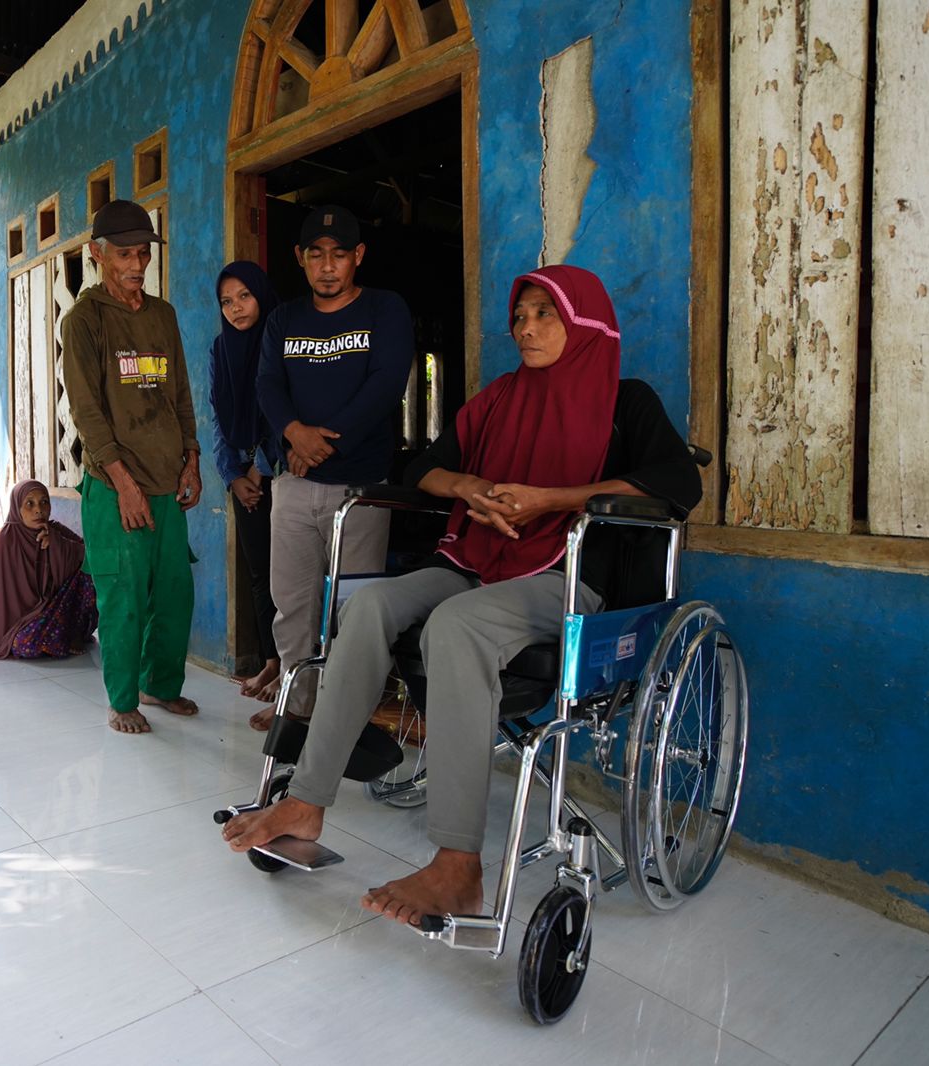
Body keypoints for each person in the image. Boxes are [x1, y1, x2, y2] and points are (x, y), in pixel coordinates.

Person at [223, 265, 702, 926]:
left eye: (544, 315)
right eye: (521, 316)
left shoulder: (626, 403)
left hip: (566, 575)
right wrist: (470, 488)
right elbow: (423, 469)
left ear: (584, 322)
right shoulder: (500, 399)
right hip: (480, 559)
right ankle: (307, 799)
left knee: (455, 624)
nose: (525, 328)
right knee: (366, 608)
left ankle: (458, 866)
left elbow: (680, 484)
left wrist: (551, 500)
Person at [252, 205, 414, 730]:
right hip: (295, 486)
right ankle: (297, 711)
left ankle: (348, 717)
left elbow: (385, 386)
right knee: (293, 605)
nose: (327, 266)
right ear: (300, 259)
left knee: (354, 608)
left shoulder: (385, 311)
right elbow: (269, 385)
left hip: (361, 488)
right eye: (316, 255)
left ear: (357, 257)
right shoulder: (284, 320)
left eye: (339, 255)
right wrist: (294, 435)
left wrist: (324, 446)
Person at [61, 199, 201, 734]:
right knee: (122, 598)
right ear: (98, 254)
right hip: (114, 485)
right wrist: (124, 484)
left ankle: (160, 685)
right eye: (124, 254)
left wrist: (191, 459)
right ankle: (123, 701)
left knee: (172, 595)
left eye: (143, 253)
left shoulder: (162, 316)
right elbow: (87, 413)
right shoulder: (85, 321)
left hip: (168, 481)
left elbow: (180, 395)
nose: (136, 264)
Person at [209, 261, 283, 704]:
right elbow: (219, 419)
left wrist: (260, 467)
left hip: (283, 472)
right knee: (259, 574)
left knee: (289, 577)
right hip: (242, 478)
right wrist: (233, 475)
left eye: (244, 296)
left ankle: (293, 666)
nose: (236, 308)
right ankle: (271, 662)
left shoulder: (281, 340)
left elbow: (285, 407)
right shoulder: (221, 350)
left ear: (260, 294)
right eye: (226, 301)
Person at [0, 480, 97, 660]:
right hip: (25, 620)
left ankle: (74, 633)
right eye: (30, 504)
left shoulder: (55, 531)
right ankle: (61, 637)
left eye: (44, 502)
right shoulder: (4, 543)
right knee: (23, 645)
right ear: (17, 508)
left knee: (91, 573)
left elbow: (93, 556)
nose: (39, 510)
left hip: (56, 609)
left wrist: (58, 544)